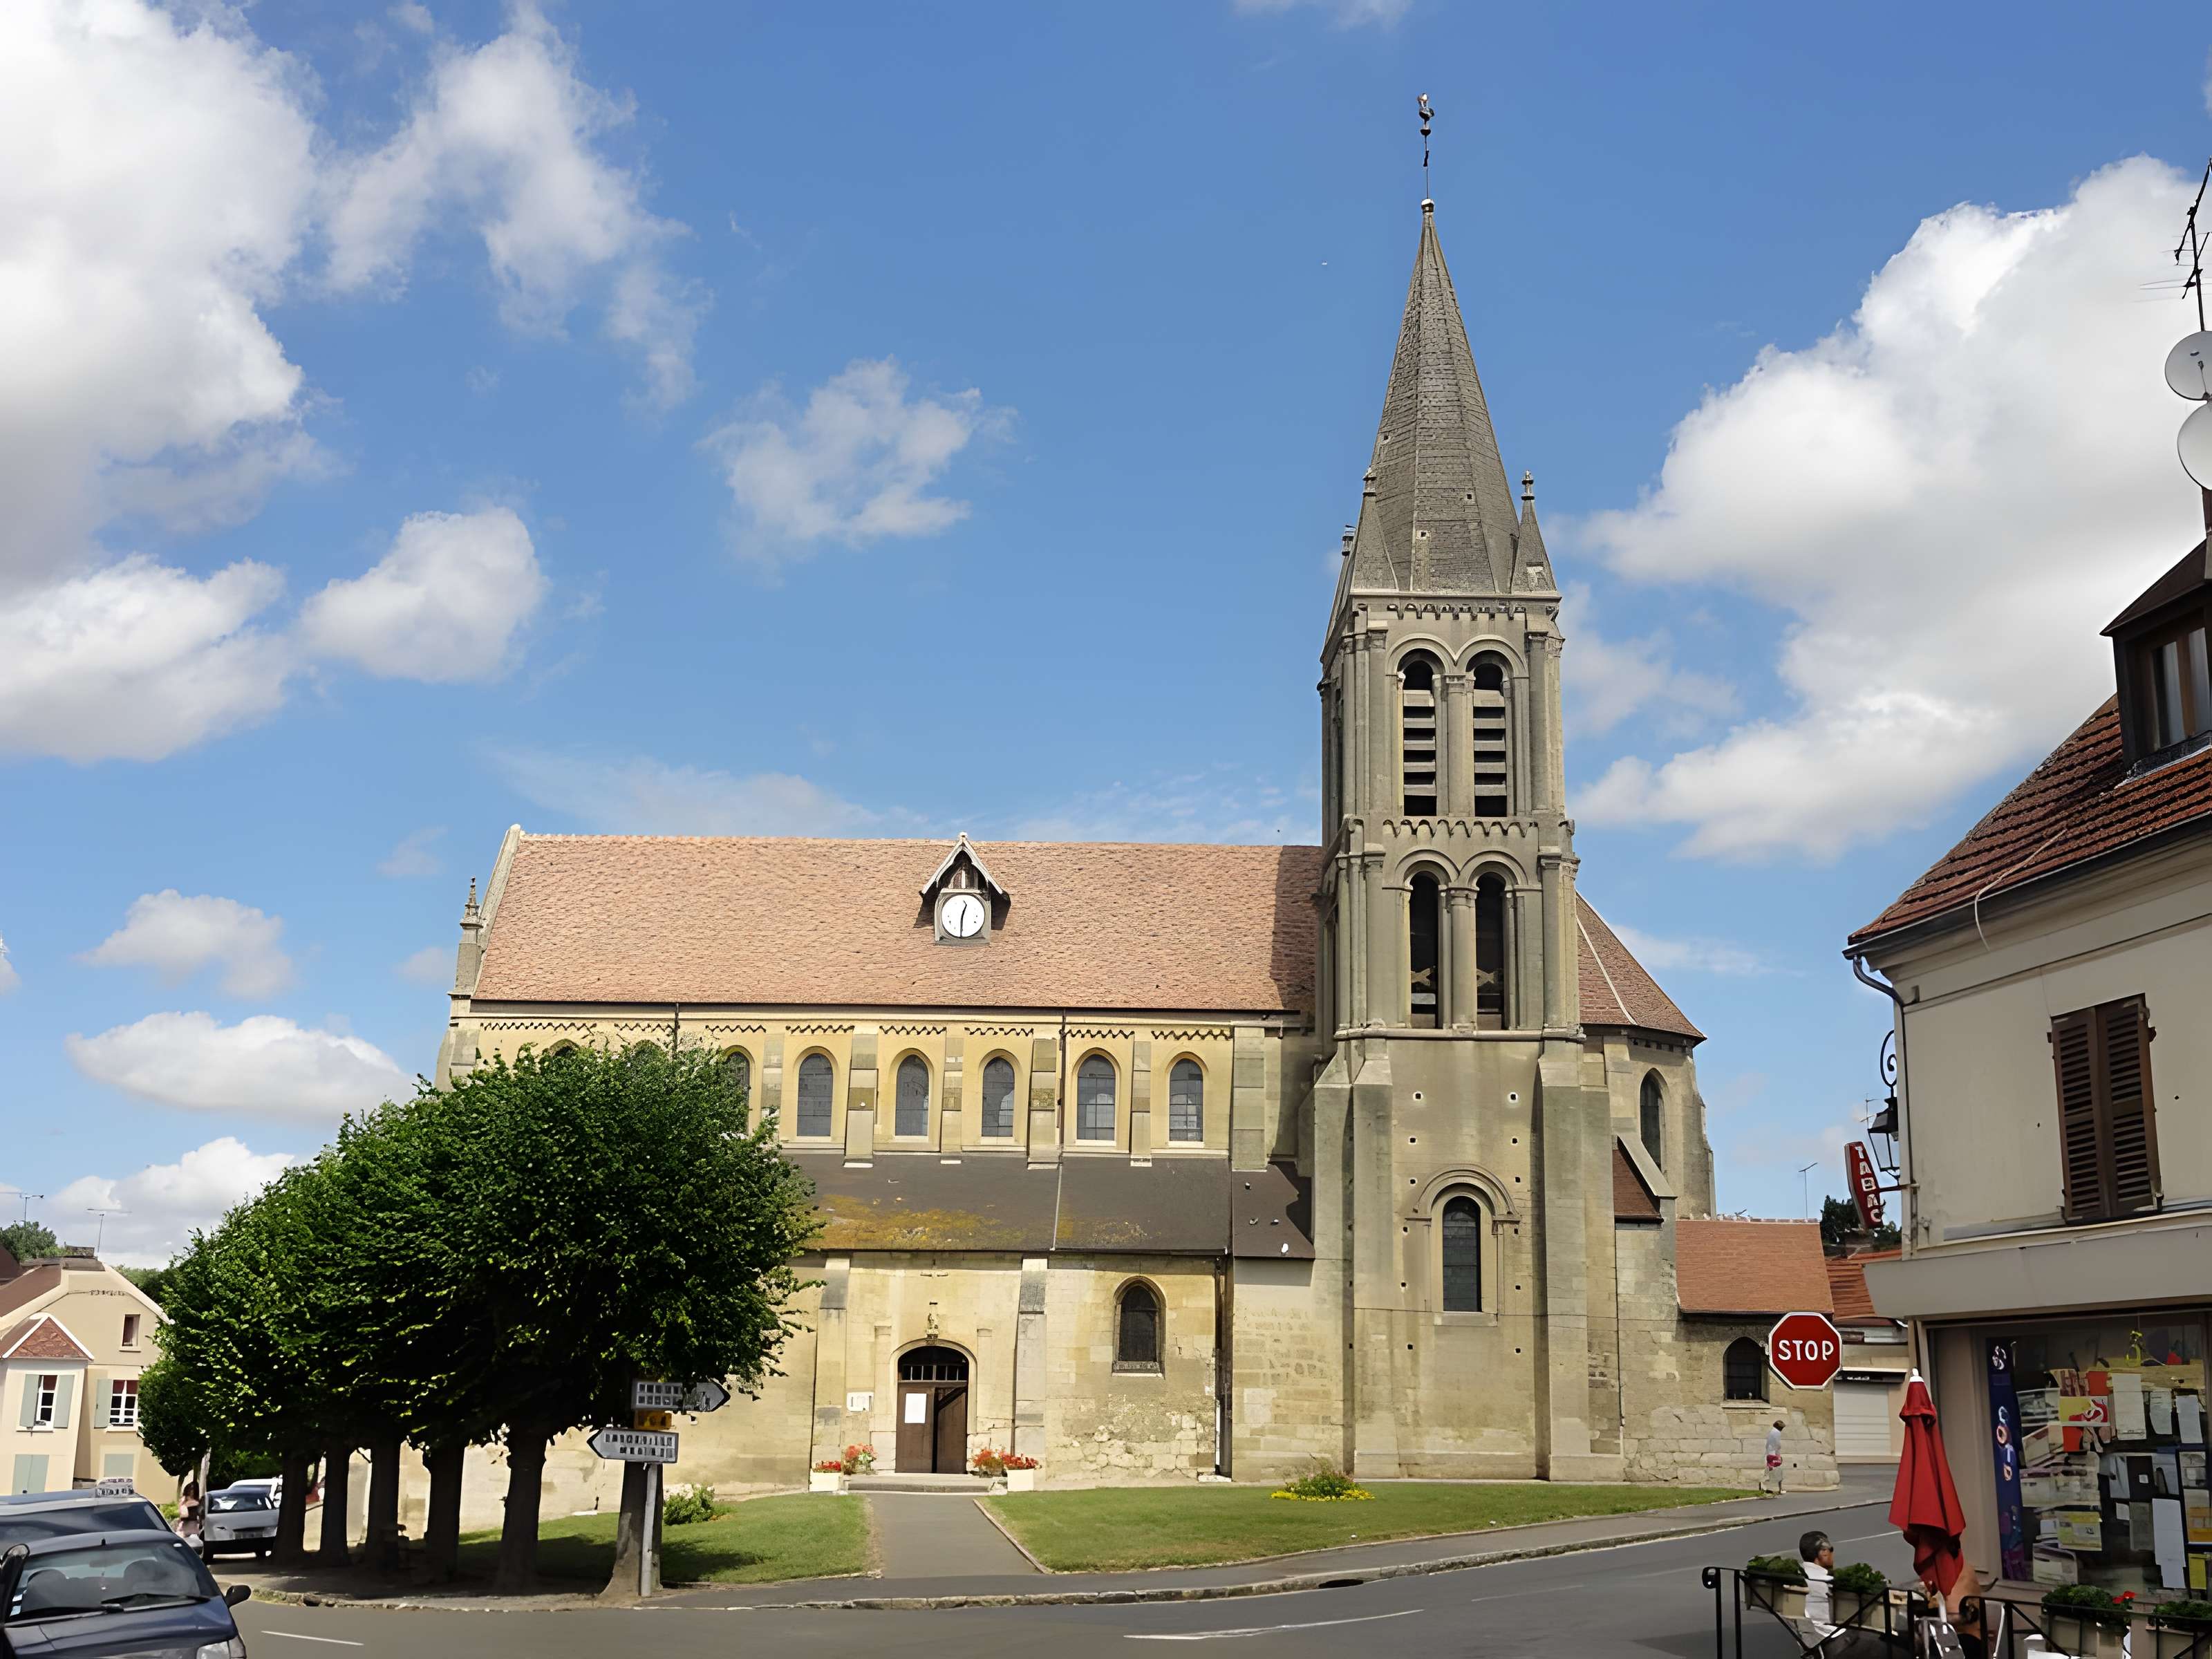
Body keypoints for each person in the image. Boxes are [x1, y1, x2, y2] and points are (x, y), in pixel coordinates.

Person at [1763, 1419, 1786, 1494]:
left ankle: (1765, 1486)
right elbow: (1778, 1445)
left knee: (1771, 1471)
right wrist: (1779, 1456)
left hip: (1769, 1455)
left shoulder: (1771, 1432)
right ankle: (1780, 1489)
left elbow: (1767, 1445)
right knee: (1779, 1472)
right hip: (1774, 1455)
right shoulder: (1777, 1433)